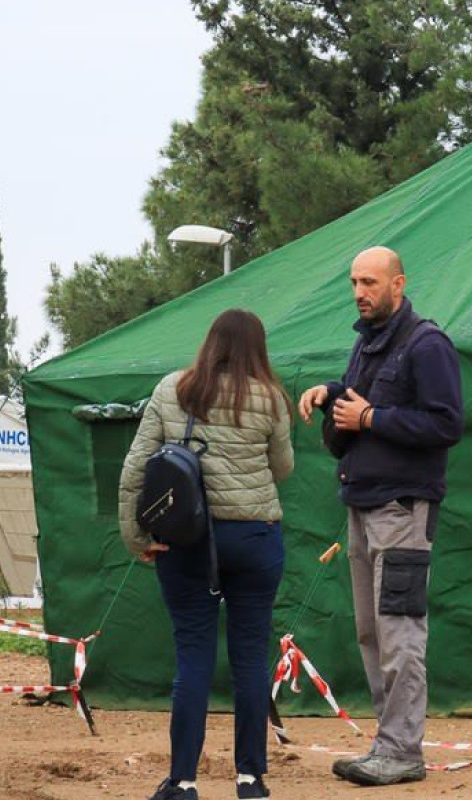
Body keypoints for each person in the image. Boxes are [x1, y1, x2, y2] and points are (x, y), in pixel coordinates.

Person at [296, 246, 463, 787]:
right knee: (371, 633)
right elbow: (352, 426)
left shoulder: (427, 344)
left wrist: (369, 415)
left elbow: (445, 425)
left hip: (402, 510)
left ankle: (402, 751)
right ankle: (387, 745)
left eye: (369, 282)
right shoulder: (365, 346)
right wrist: (335, 399)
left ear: (398, 284)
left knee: (399, 632)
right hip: (362, 507)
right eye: (354, 283)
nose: (359, 293)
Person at [119, 309, 295, 800]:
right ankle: (250, 779)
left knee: (193, 656)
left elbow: (136, 468)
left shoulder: (173, 389)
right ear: (257, 348)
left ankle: (183, 781)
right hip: (255, 538)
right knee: (251, 657)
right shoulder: (272, 398)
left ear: (208, 342)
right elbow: (283, 468)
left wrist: (136, 535)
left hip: (188, 540)